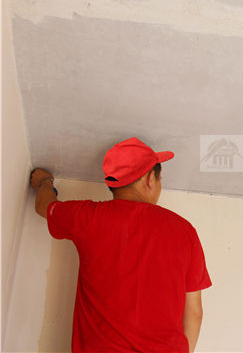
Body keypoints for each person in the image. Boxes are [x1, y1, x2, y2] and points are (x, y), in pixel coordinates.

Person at [30, 137, 212, 352]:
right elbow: (194, 312)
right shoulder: (185, 231)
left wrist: (44, 182)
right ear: (150, 179)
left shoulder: (89, 217)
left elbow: (44, 206)